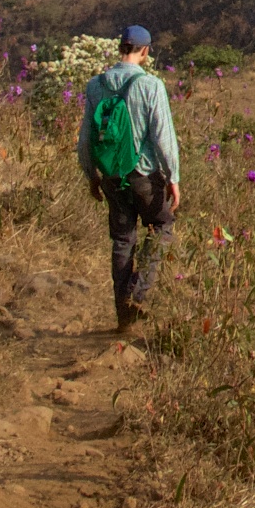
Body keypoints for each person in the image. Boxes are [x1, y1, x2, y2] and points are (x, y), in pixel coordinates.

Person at [78, 25, 181, 332]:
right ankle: (137, 295)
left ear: (119, 48)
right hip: (144, 176)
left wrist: (91, 175)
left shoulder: (95, 86)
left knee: (122, 240)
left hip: (111, 176)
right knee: (162, 224)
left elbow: (85, 140)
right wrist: (173, 176)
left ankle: (122, 315)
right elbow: (163, 138)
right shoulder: (151, 86)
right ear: (145, 51)